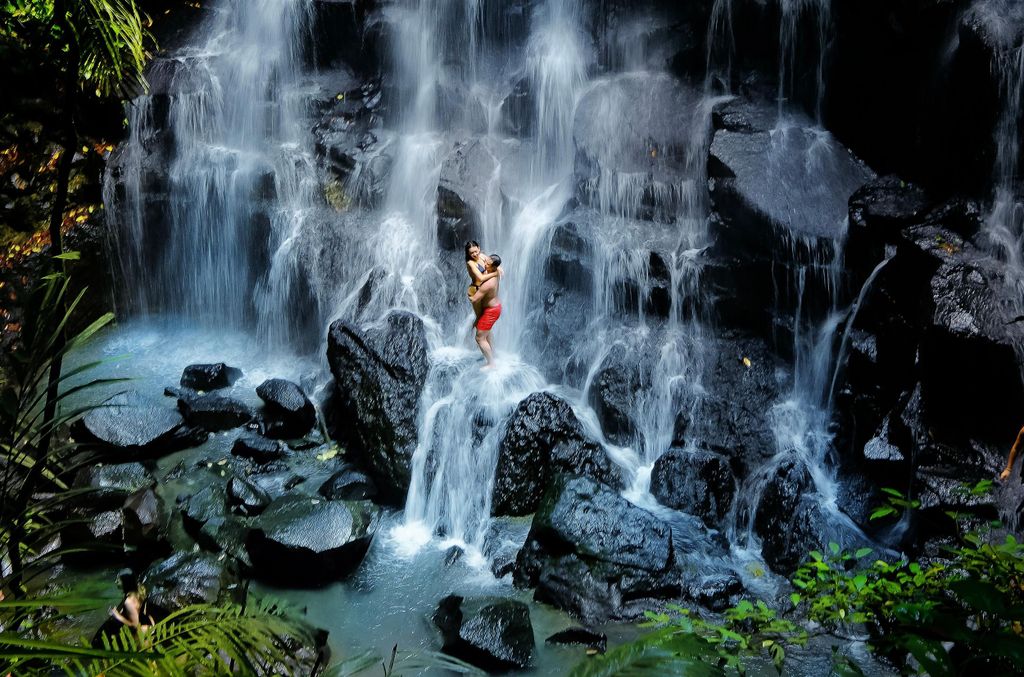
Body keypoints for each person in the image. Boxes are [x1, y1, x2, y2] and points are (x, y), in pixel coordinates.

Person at [469, 254, 502, 368]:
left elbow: (475, 299)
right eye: (486, 261)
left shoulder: (489, 284)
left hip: (491, 311)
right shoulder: (495, 270)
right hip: (493, 308)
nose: (485, 264)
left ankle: (491, 363)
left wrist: (470, 292)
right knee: (486, 333)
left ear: (494, 267)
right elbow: (481, 256)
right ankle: (493, 354)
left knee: (479, 337)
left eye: (488, 264)